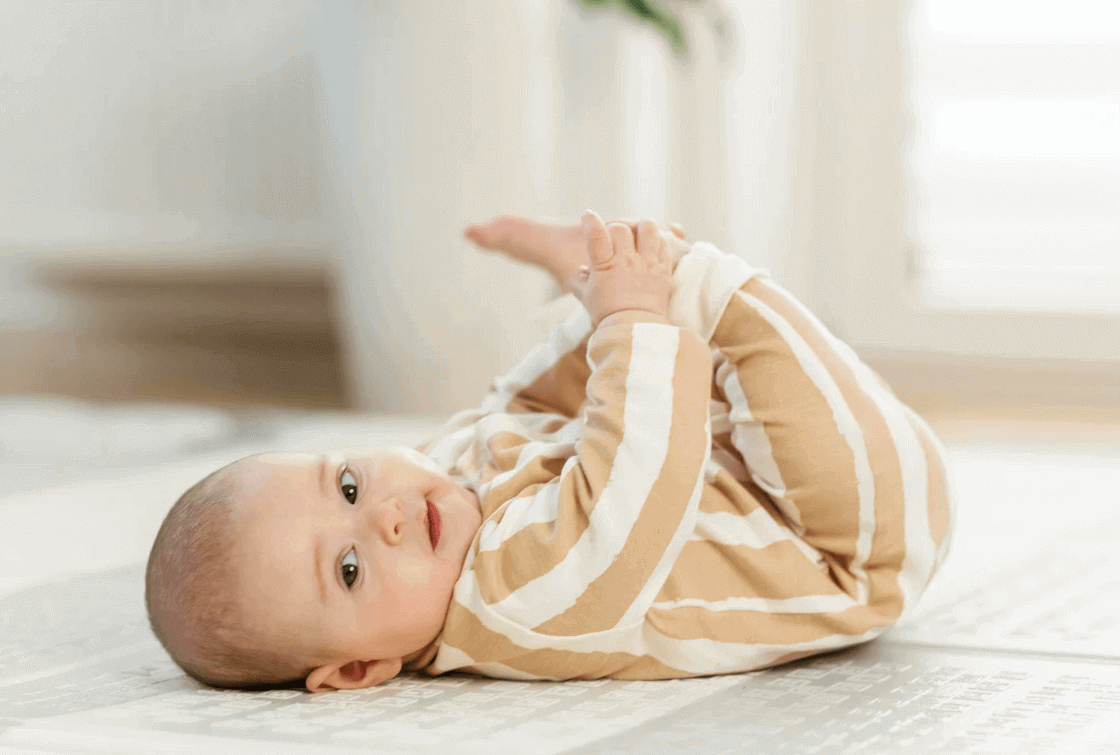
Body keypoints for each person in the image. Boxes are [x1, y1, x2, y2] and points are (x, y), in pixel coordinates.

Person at [145, 210, 953, 692]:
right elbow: (633, 487)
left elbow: (520, 406)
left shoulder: (432, 494)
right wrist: (629, 320)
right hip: (849, 544)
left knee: (586, 368)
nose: (382, 517)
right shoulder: (508, 598)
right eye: (349, 569)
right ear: (360, 668)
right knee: (722, 304)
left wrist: (600, 313)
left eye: (348, 484)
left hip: (737, 465)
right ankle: (656, 281)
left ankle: (599, 275)